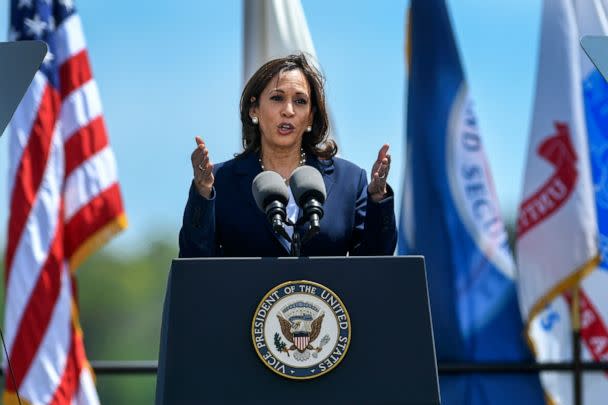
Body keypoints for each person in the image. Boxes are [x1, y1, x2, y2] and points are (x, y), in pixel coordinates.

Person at [179, 54, 396, 258]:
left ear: (311, 117)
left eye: (300, 101)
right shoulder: (221, 180)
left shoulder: (349, 180)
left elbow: (374, 266)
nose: (288, 110)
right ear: (254, 109)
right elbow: (195, 262)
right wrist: (203, 193)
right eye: (277, 98)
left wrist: (378, 199)